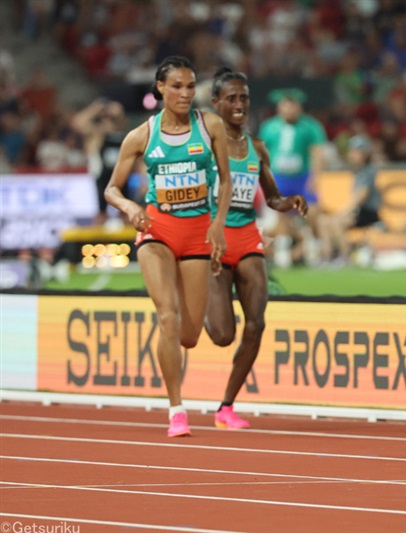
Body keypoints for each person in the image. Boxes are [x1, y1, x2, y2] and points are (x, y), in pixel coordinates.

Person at [104, 56, 233, 437]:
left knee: (189, 335)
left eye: (191, 86)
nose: (185, 93)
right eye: (177, 86)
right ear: (160, 88)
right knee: (168, 317)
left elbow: (226, 181)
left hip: (198, 234)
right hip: (156, 231)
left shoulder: (210, 126)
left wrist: (219, 225)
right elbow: (111, 188)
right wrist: (130, 207)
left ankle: (170, 343)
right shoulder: (141, 135)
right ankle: (177, 408)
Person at [204, 67, 308, 429]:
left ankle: (226, 407)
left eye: (243, 98)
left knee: (257, 323)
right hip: (212, 240)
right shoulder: (202, 145)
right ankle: (192, 293)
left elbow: (273, 196)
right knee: (222, 335)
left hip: (247, 235)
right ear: (216, 103)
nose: (238, 104)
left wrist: (290, 201)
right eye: (230, 98)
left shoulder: (257, 146)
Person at [257, 88, 327, 267]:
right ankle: (284, 251)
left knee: (312, 212)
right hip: (279, 177)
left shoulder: (311, 126)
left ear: (299, 106)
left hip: (302, 177)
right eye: (285, 105)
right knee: (281, 216)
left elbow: (317, 152)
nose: (289, 109)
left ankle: (315, 246)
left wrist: (315, 177)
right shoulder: (269, 127)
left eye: (292, 105)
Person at [317, 134, 381, 265]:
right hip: (357, 212)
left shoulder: (368, 171)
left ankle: (345, 257)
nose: (352, 155)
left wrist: (343, 213)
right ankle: (327, 256)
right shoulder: (358, 171)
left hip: (367, 213)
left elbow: (361, 197)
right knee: (323, 222)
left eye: (355, 151)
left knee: (337, 223)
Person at [71, 98, 136, 225]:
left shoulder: (126, 134)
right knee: (101, 213)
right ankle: (97, 242)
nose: (110, 119)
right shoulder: (98, 133)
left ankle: (131, 243)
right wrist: (95, 108)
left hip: (122, 178)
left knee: (126, 211)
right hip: (103, 178)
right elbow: (77, 123)